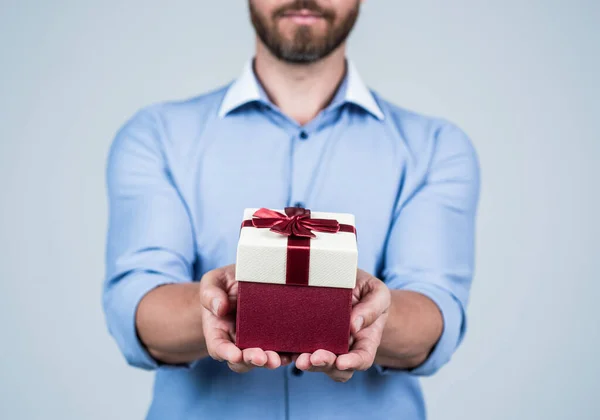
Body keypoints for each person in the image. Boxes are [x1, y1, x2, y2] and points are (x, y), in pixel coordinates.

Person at [103, 0, 480, 418]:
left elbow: (435, 316)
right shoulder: (155, 136)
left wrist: (357, 310)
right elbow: (134, 310)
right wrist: (225, 305)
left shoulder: (436, 149)